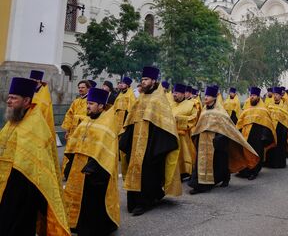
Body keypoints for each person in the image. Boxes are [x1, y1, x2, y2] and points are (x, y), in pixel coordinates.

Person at [0, 77, 70, 236]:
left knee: (19, 227)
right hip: (6, 185)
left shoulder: (36, 124)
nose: (9, 101)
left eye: (13, 98)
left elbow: (39, 165)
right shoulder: (13, 120)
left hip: (23, 191)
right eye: (9, 97)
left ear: (26, 101)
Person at [119, 66, 181, 216]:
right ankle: (134, 201)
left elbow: (165, 124)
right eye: (142, 80)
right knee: (136, 170)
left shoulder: (159, 99)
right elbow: (131, 119)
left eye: (146, 80)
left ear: (153, 81)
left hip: (152, 144)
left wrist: (154, 146)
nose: (143, 82)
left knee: (148, 173)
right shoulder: (141, 98)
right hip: (136, 142)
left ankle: (145, 202)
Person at [63, 88, 119, 235]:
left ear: (101, 106)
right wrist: (70, 163)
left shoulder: (107, 123)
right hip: (78, 166)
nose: (87, 106)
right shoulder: (86, 120)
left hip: (96, 170)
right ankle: (75, 222)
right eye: (88, 103)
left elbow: (105, 149)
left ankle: (94, 228)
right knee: (76, 196)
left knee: (92, 200)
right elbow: (74, 142)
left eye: (91, 103)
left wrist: (93, 166)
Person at [188, 85, 259, 194]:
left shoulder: (220, 112)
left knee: (220, 160)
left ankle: (223, 178)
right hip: (203, 141)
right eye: (205, 95)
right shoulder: (204, 110)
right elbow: (200, 125)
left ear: (214, 98)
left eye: (208, 96)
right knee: (203, 162)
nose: (205, 97)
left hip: (216, 141)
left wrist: (219, 139)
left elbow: (227, 127)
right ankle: (200, 183)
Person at [235, 87, 276, 180]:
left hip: (258, 136)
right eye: (251, 95)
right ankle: (245, 170)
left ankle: (254, 171)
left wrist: (265, 136)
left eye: (254, 95)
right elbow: (240, 122)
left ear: (258, 97)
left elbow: (267, 123)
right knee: (245, 152)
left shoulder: (263, 109)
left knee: (256, 153)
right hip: (246, 135)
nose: (252, 97)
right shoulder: (246, 108)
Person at [265, 87, 288, 167]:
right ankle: (269, 163)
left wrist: (285, 130)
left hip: (281, 130)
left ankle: (279, 163)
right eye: (274, 94)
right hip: (271, 129)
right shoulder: (269, 105)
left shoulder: (285, 106)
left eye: (277, 94)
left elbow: (287, 118)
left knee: (280, 147)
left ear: (281, 96)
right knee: (271, 146)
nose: (275, 96)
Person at [172, 84, 198, 180]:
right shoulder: (170, 104)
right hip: (171, 134)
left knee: (185, 155)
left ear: (183, 94)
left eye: (177, 93)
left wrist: (179, 119)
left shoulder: (191, 104)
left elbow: (194, 118)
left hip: (184, 136)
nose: (174, 95)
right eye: (173, 92)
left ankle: (185, 172)